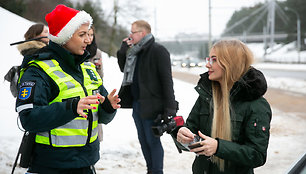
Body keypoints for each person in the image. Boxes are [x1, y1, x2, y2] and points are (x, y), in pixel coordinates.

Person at [15, 4, 120, 174]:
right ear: (63, 37)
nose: (89, 40)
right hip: (51, 166)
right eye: (82, 35)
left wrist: (108, 107)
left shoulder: (88, 68)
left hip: (87, 163)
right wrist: (71, 107)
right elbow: (28, 119)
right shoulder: (38, 70)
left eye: (89, 34)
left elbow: (100, 118)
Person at [175, 39, 272, 174]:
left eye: (214, 60)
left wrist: (219, 147)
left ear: (230, 63)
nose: (207, 65)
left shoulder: (256, 105)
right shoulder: (206, 97)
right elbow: (191, 133)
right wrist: (182, 136)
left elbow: (257, 155)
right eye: (209, 59)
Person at [116, 20, 177, 174]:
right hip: (137, 104)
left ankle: (156, 171)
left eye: (133, 32)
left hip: (153, 105)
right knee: (143, 141)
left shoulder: (158, 51)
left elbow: (166, 80)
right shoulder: (136, 51)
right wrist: (123, 50)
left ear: (142, 33)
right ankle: (150, 169)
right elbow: (124, 68)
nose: (130, 36)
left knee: (152, 141)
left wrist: (170, 107)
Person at [4, 23, 49, 98]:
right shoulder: (35, 52)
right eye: (45, 32)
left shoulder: (41, 50)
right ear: (36, 35)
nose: (48, 34)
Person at [86, 25, 104, 142]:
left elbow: (101, 76)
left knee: (95, 118)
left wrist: (98, 67)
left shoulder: (97, 52)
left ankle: (96, 139)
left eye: (91, 35)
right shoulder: (75, 49)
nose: (89, 38)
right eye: (86, 34)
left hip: (94, 90)